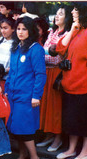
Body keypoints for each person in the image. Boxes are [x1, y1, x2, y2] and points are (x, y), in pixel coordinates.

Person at [55, 2, 87, 159]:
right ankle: (71, 149)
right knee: (72, 120)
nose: (73, 11)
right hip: (71, 83)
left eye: (76, 9)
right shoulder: (78, 29)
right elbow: (59, 48)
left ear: (84, 11)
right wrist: (73, 28)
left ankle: (85, 152)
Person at [5, 17, 46, 159]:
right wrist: (7, 91)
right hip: (13, 95)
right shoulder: (16, 47)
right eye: (19, 29)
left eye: (24, 29)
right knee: (15, 128)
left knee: (25, 129)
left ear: (31, 31)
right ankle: (23, 156)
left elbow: (40, 74)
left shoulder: (36, 49)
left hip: (27, 96)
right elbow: (11, 73)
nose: (20, 32)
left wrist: (36, 95)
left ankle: (35, 158)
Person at [37, 5, 72, 151]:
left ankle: (57, 139)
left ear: (67, 17)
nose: (57, 16)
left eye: (61, 14)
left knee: (56, 107)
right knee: (46, 107)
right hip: (46, 71)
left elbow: (58, 54)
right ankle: (49, 135)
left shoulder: (68, 34)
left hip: (57, 72)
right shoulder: (52, 32)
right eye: (56, 14)